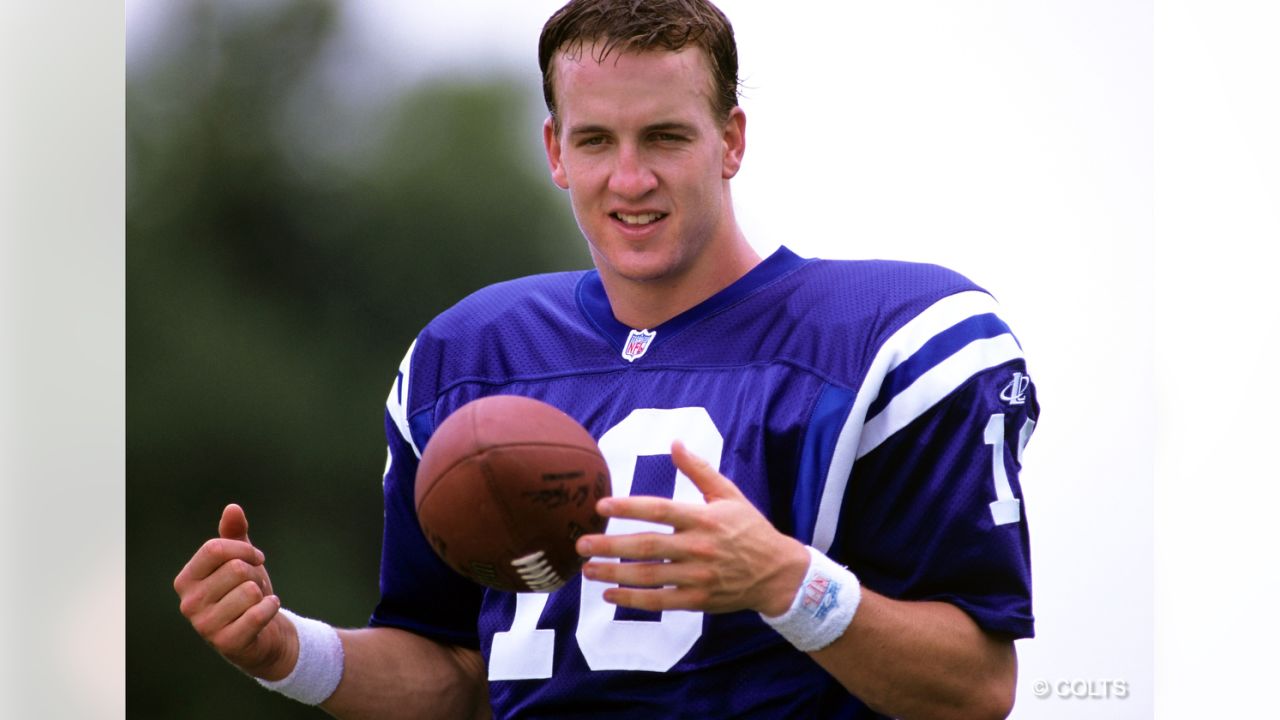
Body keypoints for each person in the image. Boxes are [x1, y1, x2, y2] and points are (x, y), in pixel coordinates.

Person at [173, 1, 1039, 717]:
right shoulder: (471, 358)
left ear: (730, 140)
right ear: (555, 150)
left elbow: (974, 686)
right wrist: (289, 651)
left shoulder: (886, 337)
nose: (629, 180)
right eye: (596, 142)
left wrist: (784, 581)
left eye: (664, 137)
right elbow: (458, 678)